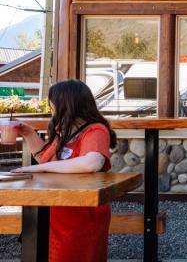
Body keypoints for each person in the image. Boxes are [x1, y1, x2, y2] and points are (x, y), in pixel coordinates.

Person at [9, 79, 116, 262]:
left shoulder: (95, 130)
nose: (52, 109)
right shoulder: (67, 131)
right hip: (55, 210)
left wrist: (39, 168)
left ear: (67, 104)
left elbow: (91, 162)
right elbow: (48, 159)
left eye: (53, 104)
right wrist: (28, 133)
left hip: (80, 214)